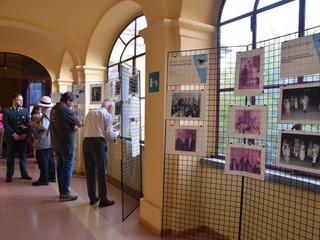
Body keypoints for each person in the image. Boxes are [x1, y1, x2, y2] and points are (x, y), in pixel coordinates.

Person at [82, 98, 119, 207]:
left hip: (86, 142)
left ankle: (92, 197)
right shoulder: (107, 115)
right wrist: (116, 133)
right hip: (98, 143)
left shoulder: (90, 113)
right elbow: (109, 134)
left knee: (90, 171)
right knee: (102, 171)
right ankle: (103, 199)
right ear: (110, 107)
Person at [50, 92, 82, 201]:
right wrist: (75, 126)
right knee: (68, 167)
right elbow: (79, 123)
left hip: (57, 143)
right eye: (72, 102)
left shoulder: (54, 108)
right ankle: (64, 193)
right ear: (68, 100)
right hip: (66, 143)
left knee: (60, 167)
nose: (72, 104)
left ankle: (62, 191)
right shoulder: (65, 110)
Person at [3, 93, 32, 182]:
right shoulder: (7, 111)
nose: (21, 101)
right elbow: (6, 125)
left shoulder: (25, 110)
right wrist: (14, 135)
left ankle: (24, 174)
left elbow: (29, 124)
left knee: (23, 157)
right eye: (19, 100)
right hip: (11, 138)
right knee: (10, 157)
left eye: (22, 100)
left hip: (23, 138)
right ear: (14, 100)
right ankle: (9, 175)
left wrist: (26, 134)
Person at [31, 96, 56, 186]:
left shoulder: (46, 113)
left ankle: (44, 179)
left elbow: (44, 127)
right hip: (49, 141)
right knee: (50, 159)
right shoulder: (51, 112)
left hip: (43, 141)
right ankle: (51, 176)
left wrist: (35, 124)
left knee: (42, 160)